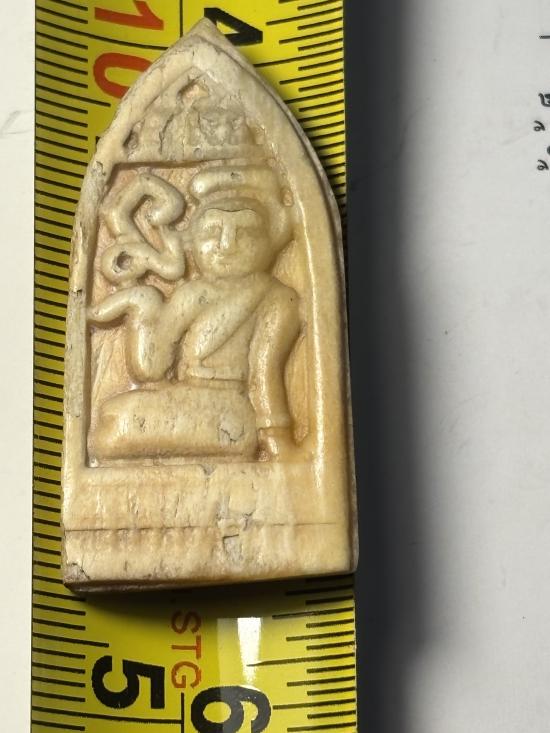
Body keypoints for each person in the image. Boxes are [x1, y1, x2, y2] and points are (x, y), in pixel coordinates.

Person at [89, 164, 302, 461]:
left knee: (115, 432)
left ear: (271, 240)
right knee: (112, 416)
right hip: (185, 397)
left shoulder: (275, 298)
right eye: (213, 231)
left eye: (246, 231)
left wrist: (277, 440)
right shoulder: (192, 292)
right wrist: (141, 303)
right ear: (192, 242)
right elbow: (151, 368)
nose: (227, 245)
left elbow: (265, 373)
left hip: (232, 412)